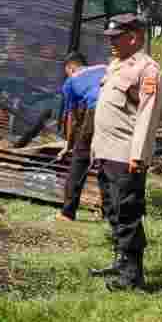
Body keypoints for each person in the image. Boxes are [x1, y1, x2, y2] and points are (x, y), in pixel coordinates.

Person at [88, 13, 162, 291]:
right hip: (107, 152)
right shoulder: (116, 65)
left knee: (127, 213)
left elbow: (147, 115)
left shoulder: (147, 69)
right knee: (112, 210)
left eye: (116, 38)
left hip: (126, 155)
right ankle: (121, 261)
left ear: (134, 37)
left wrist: (139, 155)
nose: (111, 43)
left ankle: (132, 277)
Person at [57, 52, 105, 221]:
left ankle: (67, 212)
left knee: (80, 158)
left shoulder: (71, 81)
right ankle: (108, 211)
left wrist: (69, 144)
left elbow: (71, 116)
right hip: (122, 111)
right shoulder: (103, 68)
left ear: (71, 67)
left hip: (98, 108)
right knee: (109, 159)